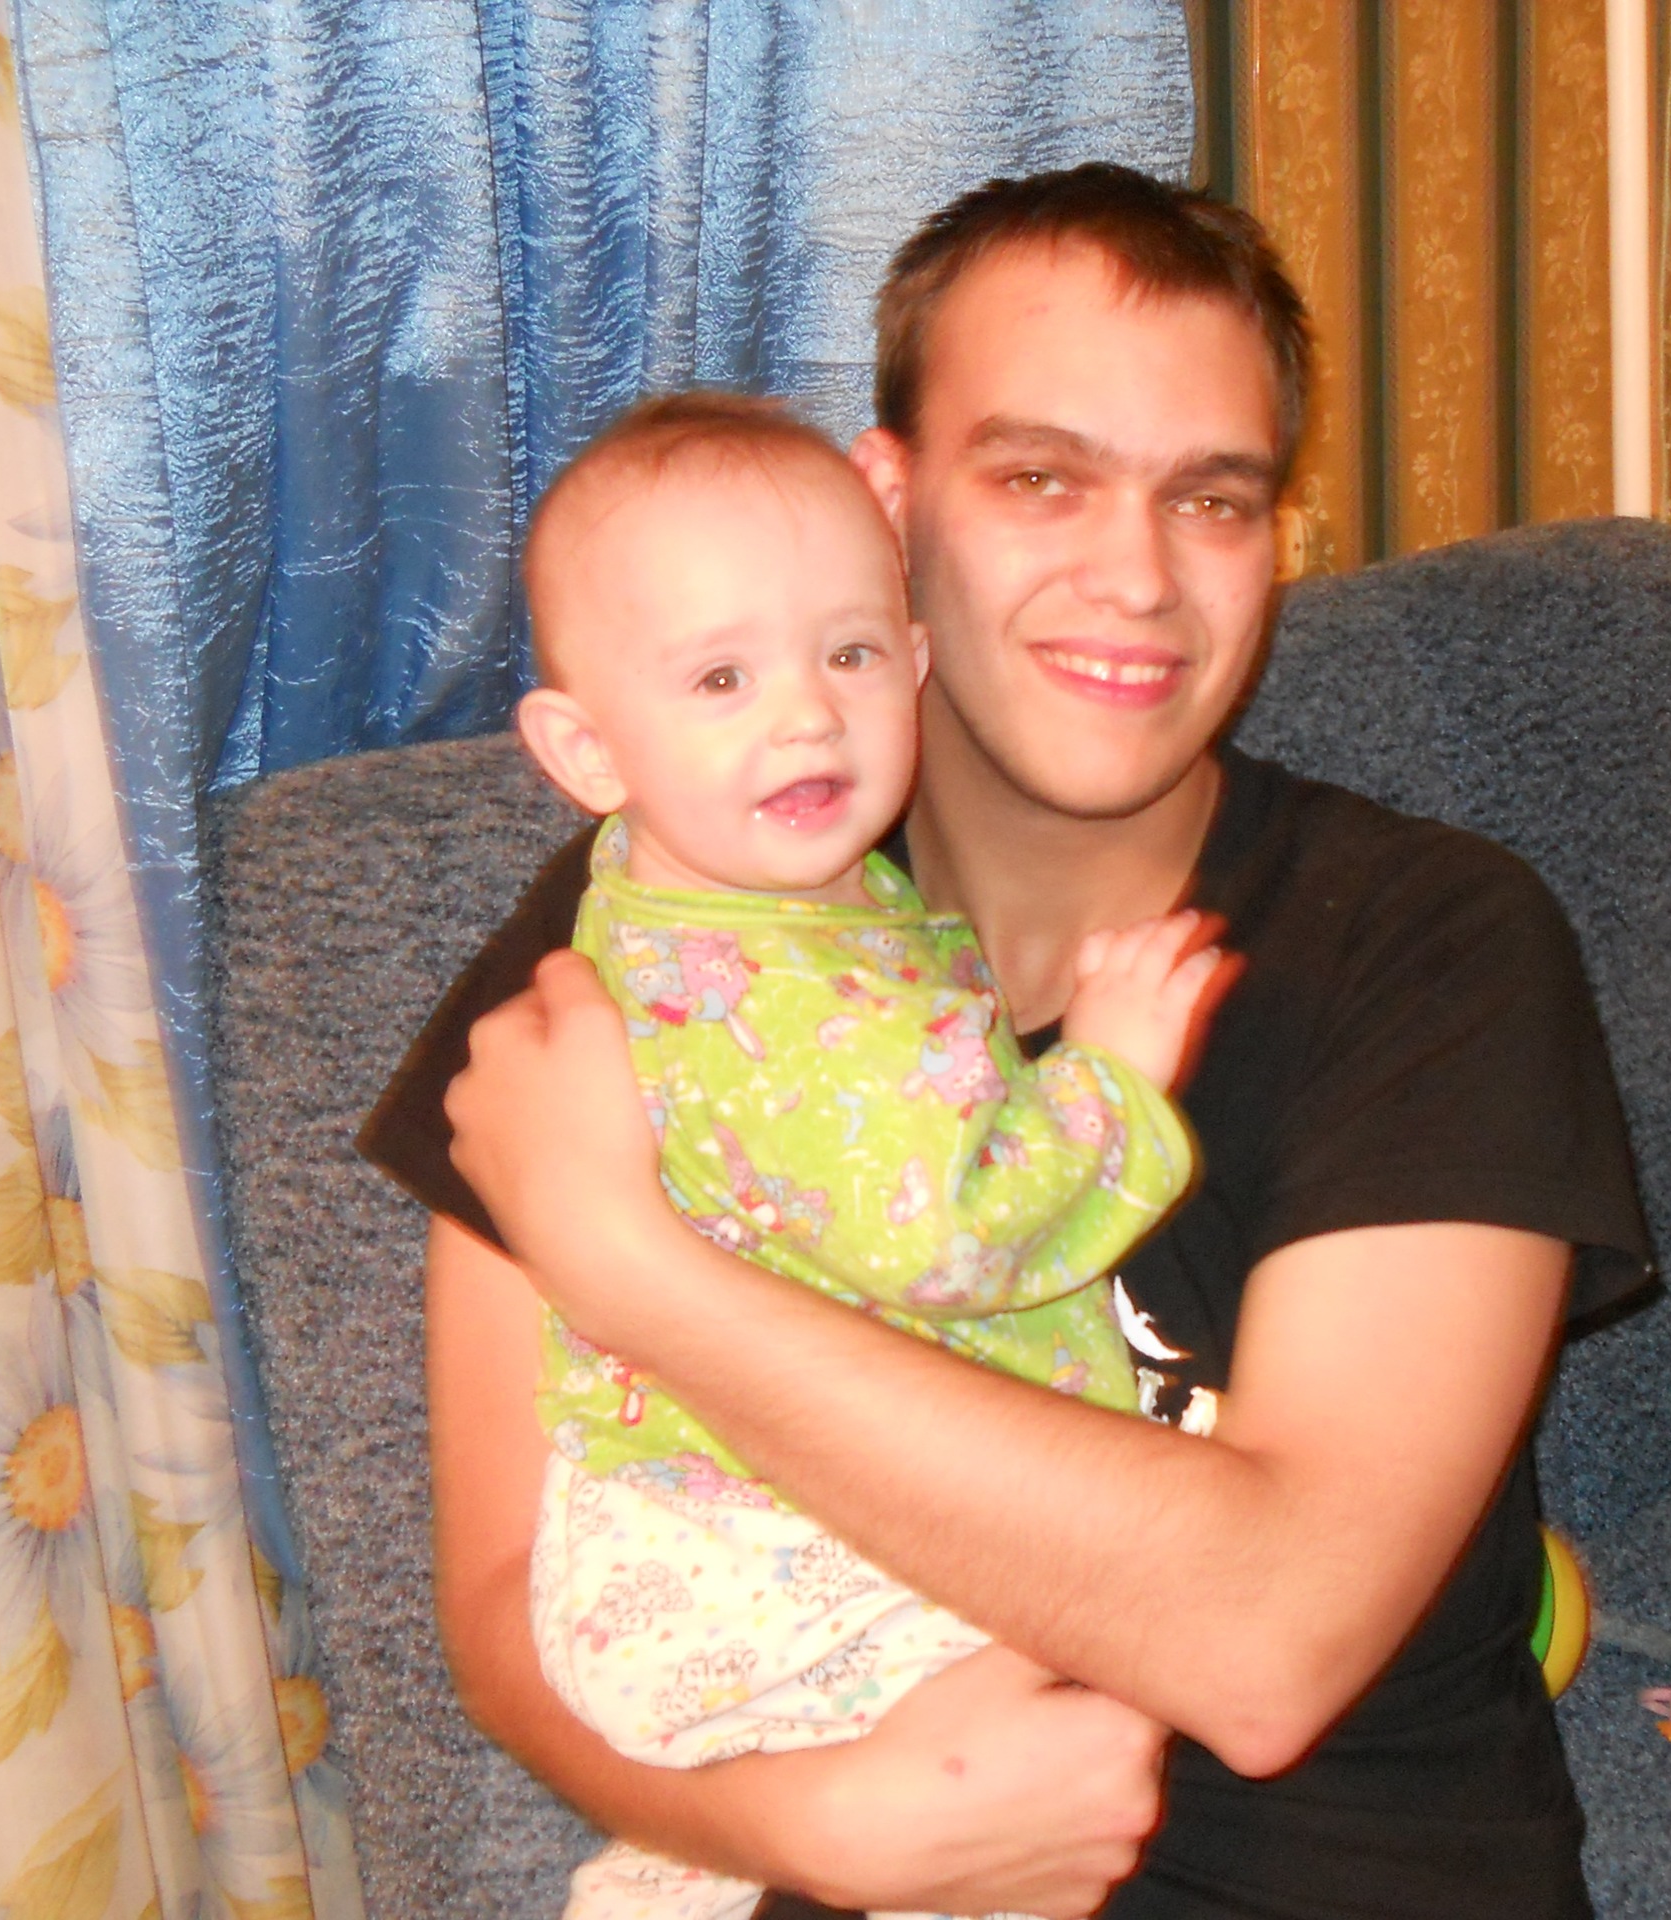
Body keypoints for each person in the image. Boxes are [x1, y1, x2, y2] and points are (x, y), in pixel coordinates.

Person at [365, 162, 1651, 1920]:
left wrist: (630, 1267)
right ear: (886, 504)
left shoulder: (1431, 947)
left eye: (1211, 498)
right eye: (1040, 477)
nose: (1136, 577)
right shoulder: (653, 925)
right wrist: (794, 1829)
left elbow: (1265, 1642)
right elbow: (506, 1598)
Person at [497, 390, 1222, 1920]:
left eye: (849, 654)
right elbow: (951, 1236)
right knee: (1038, 1751)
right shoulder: (765, 994)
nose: (806, 717)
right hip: (745, 1550)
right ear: (585, 748)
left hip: (713, 1522)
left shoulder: (720, 896)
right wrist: (1109, 1075)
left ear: (917, 660)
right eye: (720, 677)